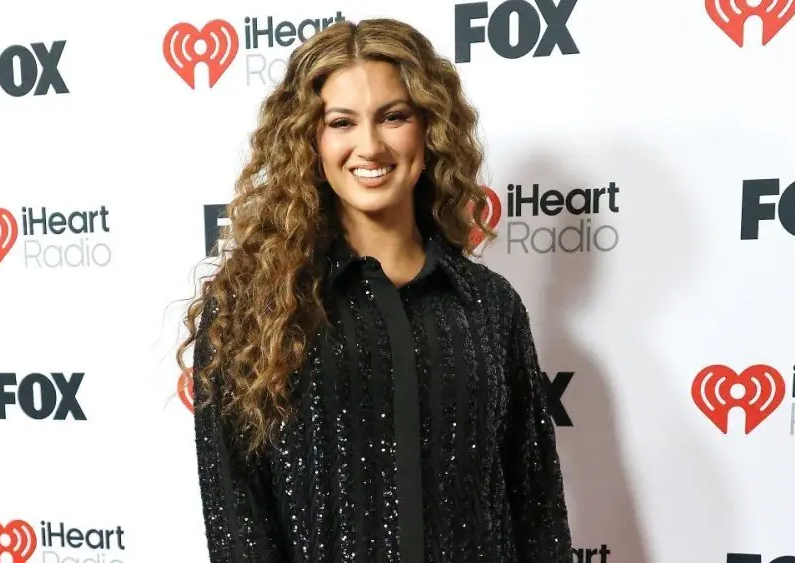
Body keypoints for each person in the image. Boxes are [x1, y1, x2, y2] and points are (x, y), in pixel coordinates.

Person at [177, 17, 572, 563]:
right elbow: (237, 519)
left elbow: (536, 503)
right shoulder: (253, 306)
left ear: (428, 128)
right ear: (309, 139)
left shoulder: (489, 305)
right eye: (341, 122)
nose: (369, 145)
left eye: (393, 117)